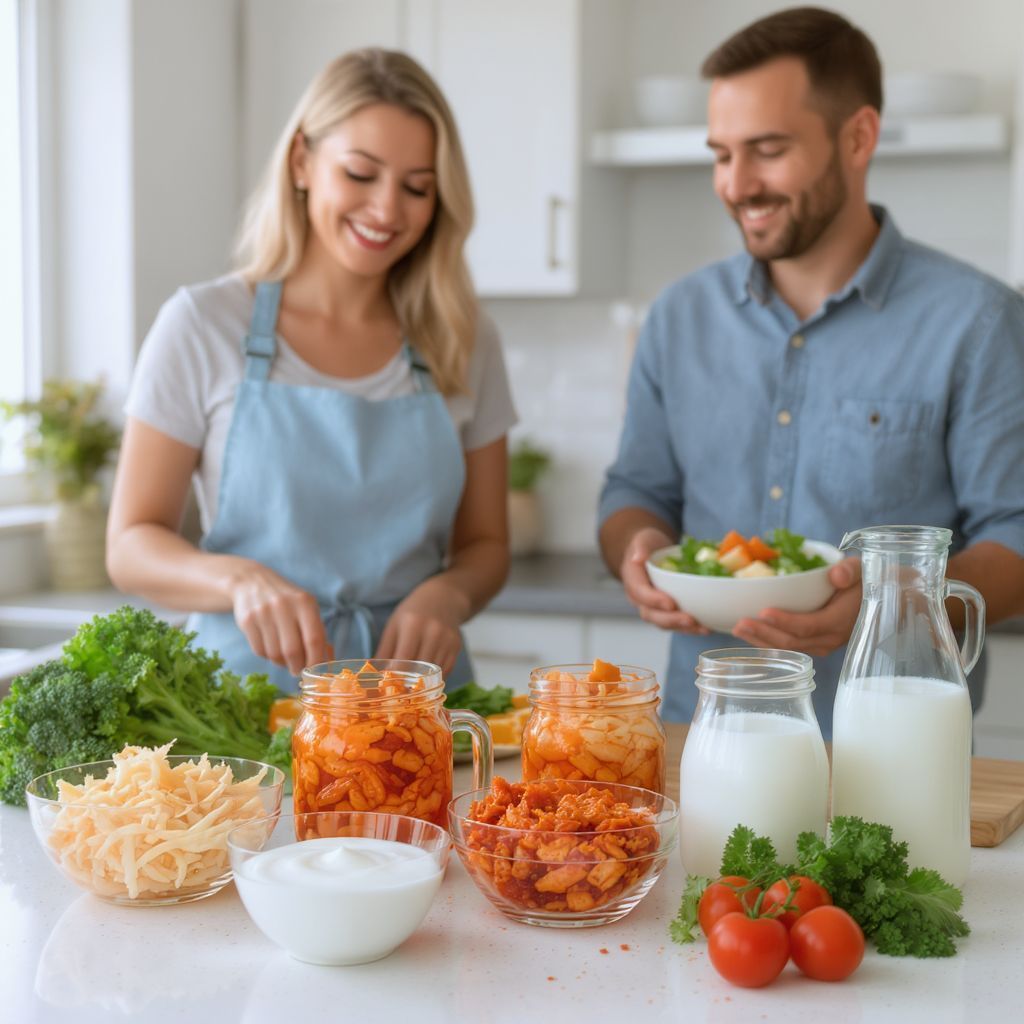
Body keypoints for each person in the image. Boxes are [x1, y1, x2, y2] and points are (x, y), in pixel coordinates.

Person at [598, 7, 1024, 734]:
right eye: (721, 153)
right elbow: (637, 492)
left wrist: (894, 603)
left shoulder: (978, 321)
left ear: (858, 137)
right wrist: (635, 551)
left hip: (895, 739)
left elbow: (1014, 534)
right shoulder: (678, 317)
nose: (736, 184)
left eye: (766, 150)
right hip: (700, 730)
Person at [107, 49, 516, 691]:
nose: (387, 210)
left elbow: (487, 544)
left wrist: (450, 597)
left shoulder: (462, 339)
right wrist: (238, 580)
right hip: (244, 712)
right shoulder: (204, 324)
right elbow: (131, 543)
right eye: (360, 173)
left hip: (415, 705)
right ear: (302, 161)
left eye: (417, 187)